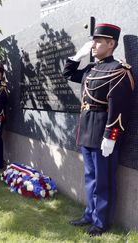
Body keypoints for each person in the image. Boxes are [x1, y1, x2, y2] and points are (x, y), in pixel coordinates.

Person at [63, 23, 135, 236]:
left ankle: (101, 222)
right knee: (91, 177)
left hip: (104, 133)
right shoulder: (91, 69)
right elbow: (67, 74)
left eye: (97, 41)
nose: (93, 45)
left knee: (104, 180)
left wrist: (111, 137)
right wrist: (78, 55)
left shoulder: (119, 71)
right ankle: (90, 214)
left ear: (111, 44)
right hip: (87, 131)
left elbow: (118, 107)